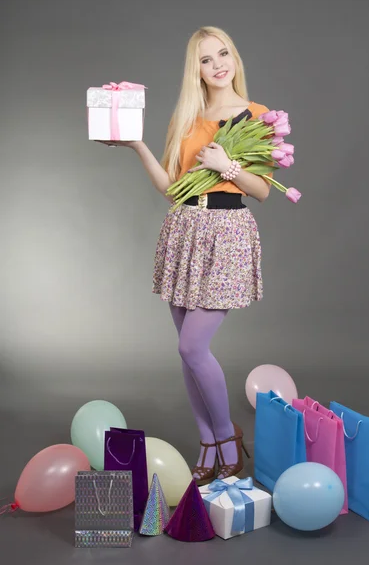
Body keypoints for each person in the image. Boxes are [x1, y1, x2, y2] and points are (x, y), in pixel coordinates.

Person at [97, 26, 273, 485]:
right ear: (194, 69)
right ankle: (206, 440)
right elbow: (172, 189)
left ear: (234, 57)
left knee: (192, 345)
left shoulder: (258, 115)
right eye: (205, 59)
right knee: (187, 353)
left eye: (223, 54)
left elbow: (261, 191)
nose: (217, 64)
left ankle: (226, 437)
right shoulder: (188, 117)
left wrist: (226, 166)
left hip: (227, 232)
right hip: (184, 230)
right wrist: (137, 145)